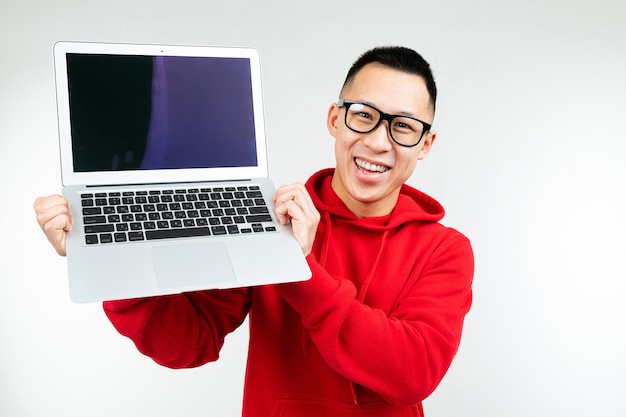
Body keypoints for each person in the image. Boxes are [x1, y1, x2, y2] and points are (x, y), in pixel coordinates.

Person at [34, 46, 474, 417]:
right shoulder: (270, 220)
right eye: (364, 116)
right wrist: (112, 261)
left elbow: (413, 372)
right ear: (335, 120)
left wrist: (299, 267)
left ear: (425, 145)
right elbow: (192, 342)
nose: (378, 142)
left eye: (403, 126)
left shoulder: (444, 249)